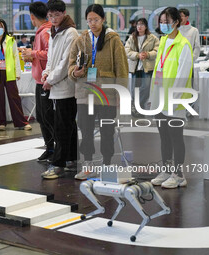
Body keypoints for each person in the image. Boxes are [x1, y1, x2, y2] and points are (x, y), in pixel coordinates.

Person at [68, 4, 129, 180]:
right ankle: (87, 165)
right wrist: (75, 72)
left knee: (107, 131)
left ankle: (107, 164)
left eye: (95, 19)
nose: (92, 23)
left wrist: (121, 94)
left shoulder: (113, 40)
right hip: (84, 93)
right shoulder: (81, 40)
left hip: (107, 94)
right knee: (85, 131)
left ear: (103, 19)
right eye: (89, 20)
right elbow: (71, 65)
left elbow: (122, 70)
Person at [149, 7, 193, 189]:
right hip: (160, 99)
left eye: (167, 21)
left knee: (176, 137)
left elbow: (182, 76)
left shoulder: (183, 45)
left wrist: (173, 100)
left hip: (175, 101)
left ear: (176, 22)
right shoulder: (164, 40)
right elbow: (157, 72)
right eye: (161, 21)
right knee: (164, 137)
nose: (163, 25)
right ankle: (167, 170)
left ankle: (179, 174)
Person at [40, 0, 79, 179]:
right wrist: (46, 73)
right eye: (50, 16)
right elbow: (51, 58)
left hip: (66, 86)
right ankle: (71, 158)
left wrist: (51, 79)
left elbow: (65, 63)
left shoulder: (71, 33)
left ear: (64, 13)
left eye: (56, 15)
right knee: (66, 124)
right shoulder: (54, 32)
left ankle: (58, 164)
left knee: (62, 126)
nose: (53, 18)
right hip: (55, 84)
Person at [0, 19, 31, 131]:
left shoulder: (11, 40)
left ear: (4, 28)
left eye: (0, 26)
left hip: (9, 73)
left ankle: (21, 122)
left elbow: (15, 58)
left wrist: (17, 73)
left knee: (14, 98)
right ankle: (1, 123)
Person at [22, 1, 54, 162]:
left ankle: (53, 148)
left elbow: (50, 54)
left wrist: (33, 53)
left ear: (33, 17)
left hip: (46, 80)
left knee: (47, 117)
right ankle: (49, 148)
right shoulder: (42, 31)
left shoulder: (45, 32)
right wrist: (31, 55)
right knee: (42, 117)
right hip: (39, 79)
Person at [125, 18, 159, 115]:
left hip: (147, 66)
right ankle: (136, 107)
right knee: (134, 89)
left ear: (146, 26)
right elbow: (127, 50)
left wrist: (148, 54)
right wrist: (137, 55)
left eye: (142, 24)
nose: (139, 26)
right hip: (135, 67)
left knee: (146, 87)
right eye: (138, 24)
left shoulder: (152, 38)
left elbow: (157, 50)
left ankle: (139, 105)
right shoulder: (132, 37)